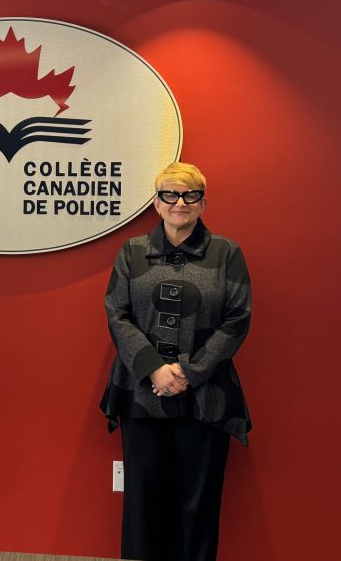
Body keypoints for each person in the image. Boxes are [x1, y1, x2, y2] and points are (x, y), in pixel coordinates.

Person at [100, 162, 252, 561]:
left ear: (203, 203)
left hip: (206, 397)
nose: (179, 203)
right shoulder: (132, 252)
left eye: (189, 195)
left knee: (199, 501)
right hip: (141, 393)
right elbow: (117, 313)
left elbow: (238, 319)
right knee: (143, 499)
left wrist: (189, 373)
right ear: (156, 202)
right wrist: (154, 368)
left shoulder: (226, 253)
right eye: (169, 194)